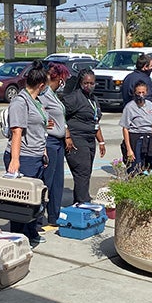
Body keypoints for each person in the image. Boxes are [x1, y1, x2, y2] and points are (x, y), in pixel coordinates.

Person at [4, 60, 49, 246]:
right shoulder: (20, 103)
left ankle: (31, 233)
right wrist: (15, 160)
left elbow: (39, 128)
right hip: (23, 156)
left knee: (34, 200)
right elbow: (17, 131)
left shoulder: (36, 101)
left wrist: (43, 150)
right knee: (21, 202)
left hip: (36, 155)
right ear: (41, 85)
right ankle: (18, 238)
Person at [63, 68, 106, 204]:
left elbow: (95, 121)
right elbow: (59, 116)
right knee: (82, 171)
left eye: (92, 83)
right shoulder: (73, 98)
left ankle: (80, 200)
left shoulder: (93, 99)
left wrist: (101, 141)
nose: (89, 86)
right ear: (80, 83)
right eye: (86, 83)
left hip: (89, 139)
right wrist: (67, 136)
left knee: (86, 172)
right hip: (77, 139)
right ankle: (83, 201)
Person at [38, 62, 71, 226]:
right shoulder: (43, 95)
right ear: (56, 78)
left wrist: (66, 133)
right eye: (62, 80)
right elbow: (35, 114)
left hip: (58, 142)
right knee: (47, 182)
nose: (63, 84)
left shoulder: (53, 95)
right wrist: (43, 123)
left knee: (58, 182)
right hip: (49, 142)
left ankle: (54, 216)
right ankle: (37, 218)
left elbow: (61, 117)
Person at [119, 80, 152, 174]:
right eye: (139, 92)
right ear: (135, 93)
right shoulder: (130, 107)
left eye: (143, 92)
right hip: (136, 137)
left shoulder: (150, 105)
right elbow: (125, 128)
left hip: (149, 138)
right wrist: (129, 149)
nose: (141, 95)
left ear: (146, 92)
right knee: (135, 168)